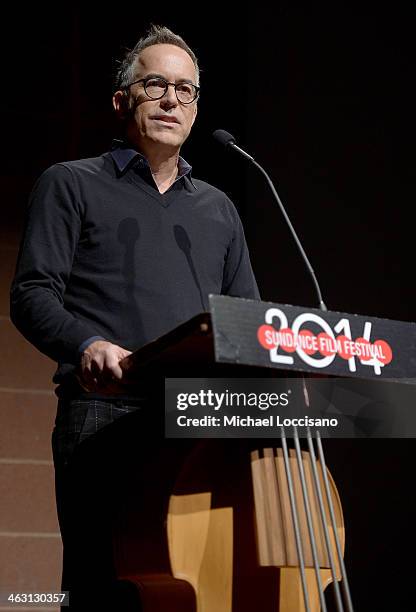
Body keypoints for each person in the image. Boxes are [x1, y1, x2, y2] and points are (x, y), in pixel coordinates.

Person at [10, 25, 259, 609]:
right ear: (123, 100)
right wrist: (87, 342)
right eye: (156, 85)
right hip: (105, 414)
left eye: (186, 90)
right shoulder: (71, 183)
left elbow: (244, 321)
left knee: (191, 587)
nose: (172, 100)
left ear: (197, 108)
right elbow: (32, 294)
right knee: (108, 587)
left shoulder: (218, 208)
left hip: (197, 424)